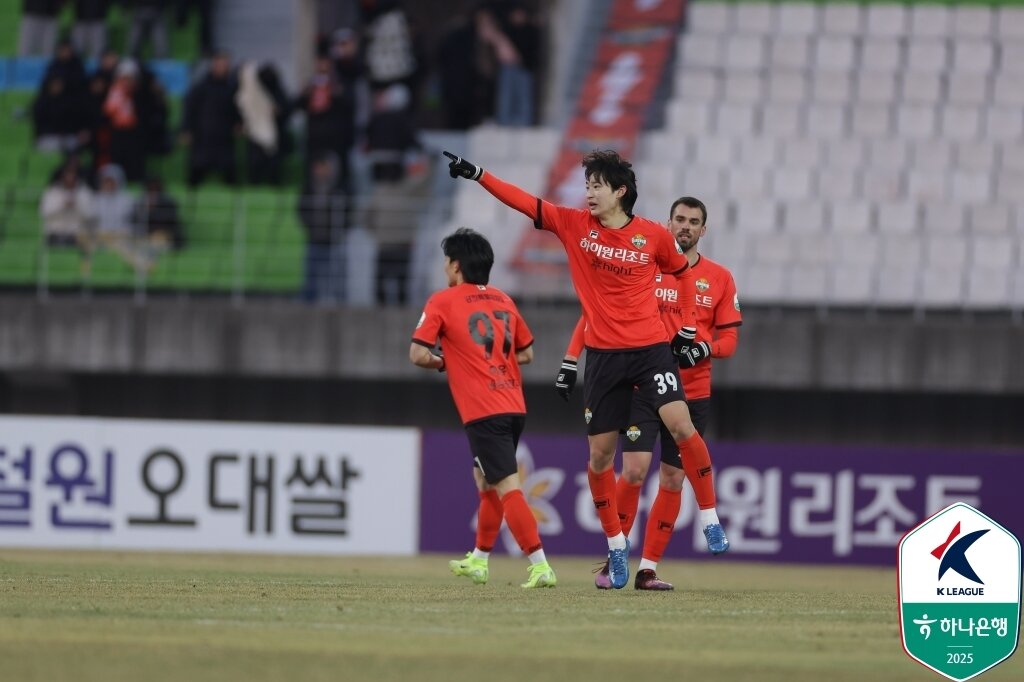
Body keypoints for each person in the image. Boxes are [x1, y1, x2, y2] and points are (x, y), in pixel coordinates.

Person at [443, 148, 709, 590]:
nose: (588, 193)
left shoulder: (651, 236)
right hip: (603, 359)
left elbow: (683, 276)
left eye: (596, 185)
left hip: (649, 353)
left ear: (620, 191)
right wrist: (478, 174)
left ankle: (706, 520)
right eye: (586, 185)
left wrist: (688, 329)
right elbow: (524, 201)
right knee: (601, 459)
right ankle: (616, 547)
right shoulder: (573, 224)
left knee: (675, 434)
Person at [558, 197, 740, 590]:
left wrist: (705, 347)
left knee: (673, 478)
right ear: (668, 222)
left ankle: (648, 569)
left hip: (691, 389)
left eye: (694, 221)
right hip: (643, 383)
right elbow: (595, 313)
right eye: (679, 219)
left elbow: (730, 338)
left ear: (703, 230)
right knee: (635, 470)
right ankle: (614, 557)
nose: (685, 227)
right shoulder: (643, 264)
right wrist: (572, 359)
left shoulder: (720, 278)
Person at [409, 227, 556, 589]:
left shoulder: (443, 301)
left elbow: (417, 354)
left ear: (456, 266)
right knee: (486, 480)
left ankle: (539, 564)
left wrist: (447, 362)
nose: (445, 268)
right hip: (512, 403)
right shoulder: (504, 300)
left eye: (447, 261)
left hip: (483, 409)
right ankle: (480, 559)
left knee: (507, 485)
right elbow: (527, 352)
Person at [182, 51, 239, 186]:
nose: (224, 67)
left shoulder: (231, 87)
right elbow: (189, 109)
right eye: (221, 64)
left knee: (230, 174)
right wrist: (186, 129)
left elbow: (236, 109)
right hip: (203, 137)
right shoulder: (200, 87)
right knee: (196, 173)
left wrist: (238, 123)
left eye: (226, 64)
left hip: (224, 138)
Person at [297, 152, 348, 303]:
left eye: (323, 167)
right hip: (315, 239)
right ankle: (309, 303)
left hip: (334, 241)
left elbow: (348, 212)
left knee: (337, 278)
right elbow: (301, 210)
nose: (319, 170)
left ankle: (340, 304)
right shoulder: (308, 188)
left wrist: (341, 230)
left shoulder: (339, 188)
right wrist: (310, 227)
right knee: (311, 277)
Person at [40, 161, 95, 249]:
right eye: (67, 174)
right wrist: (62, 206)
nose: (70, 178)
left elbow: (90, 215)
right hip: (55, 234)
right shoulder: (52, 192)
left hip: (77, 235)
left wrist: (76, 206)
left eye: (73, 175)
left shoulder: (85, 193)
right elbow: (44, 213)